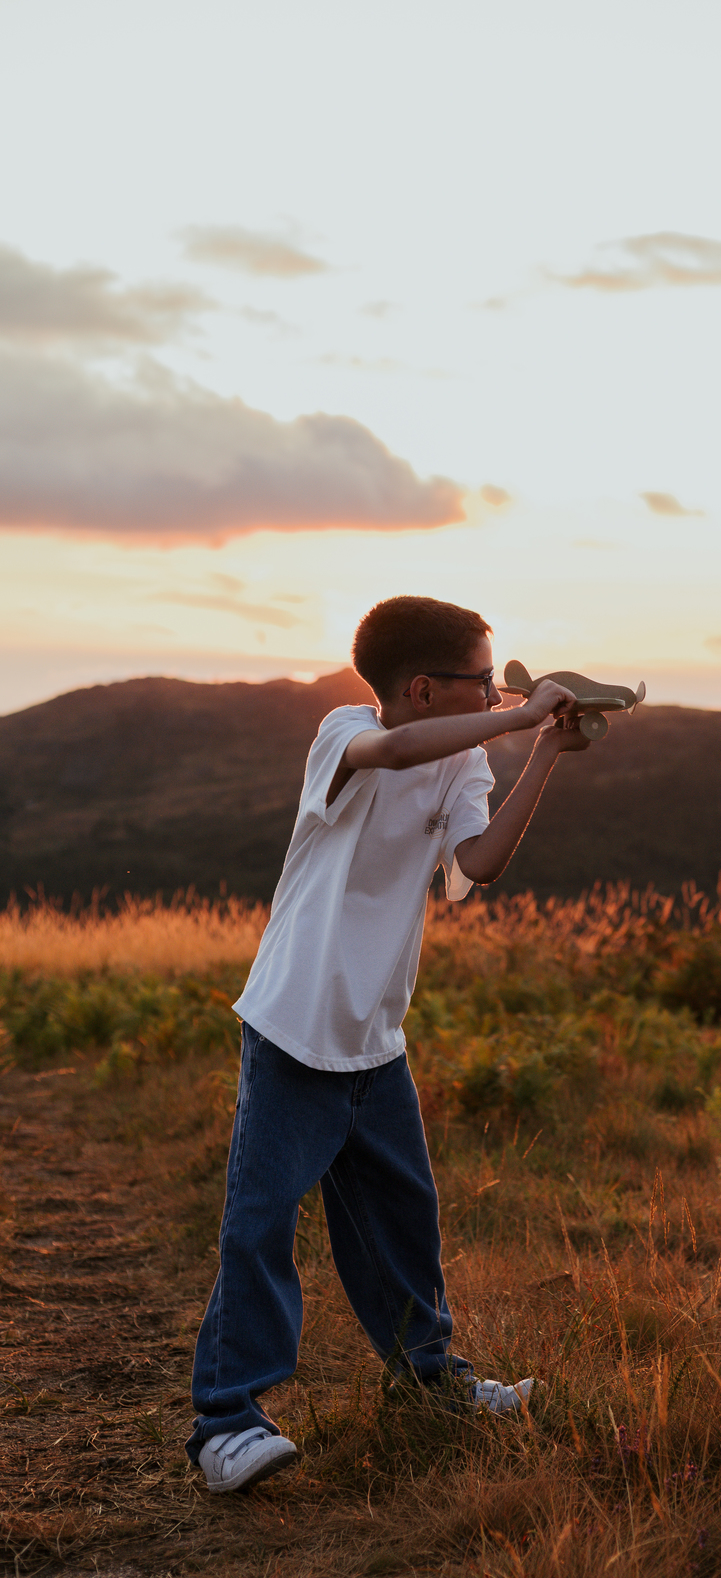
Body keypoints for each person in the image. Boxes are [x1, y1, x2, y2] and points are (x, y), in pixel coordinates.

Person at [187, 595, 582, 1493]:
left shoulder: (467, 759)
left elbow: (476, 866)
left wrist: (544, 754)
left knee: (401, 1223)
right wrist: (523, 714)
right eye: (483, 679)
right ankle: (226, 1425)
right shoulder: (344, 731)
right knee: (260, 1225)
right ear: (420, 687)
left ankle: (431, 1385)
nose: (497, 688)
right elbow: (394, 751)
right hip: (294, 1025)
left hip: (375, 1036)